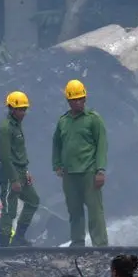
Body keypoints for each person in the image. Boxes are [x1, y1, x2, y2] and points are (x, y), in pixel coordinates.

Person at [52, 79, 109, 247]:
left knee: (95, 211)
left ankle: (100, 244)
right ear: (68, 101)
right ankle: (77, 243)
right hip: (69, 174)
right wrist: (57, 165)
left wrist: (100, 170)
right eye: (74, 99)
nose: (78, 102)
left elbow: (102, 145)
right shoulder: (63, 121)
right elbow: (56, 144)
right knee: (74, 210)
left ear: (85, 99)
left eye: (81, 98)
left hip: (89, 172)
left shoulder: (93, 119)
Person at [0, 91, 40, 247]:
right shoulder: (5, 128)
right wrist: (14, 179)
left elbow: (19, 152)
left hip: (21, 171)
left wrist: (26, 171)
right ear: (11, 109)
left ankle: (19, 237)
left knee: (33, 200)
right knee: (9, 208)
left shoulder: (17, 125)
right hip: (10, 173)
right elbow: (5, 157)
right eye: (20, 109)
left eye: (24, 109)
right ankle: (4, 245)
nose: (23, 112)